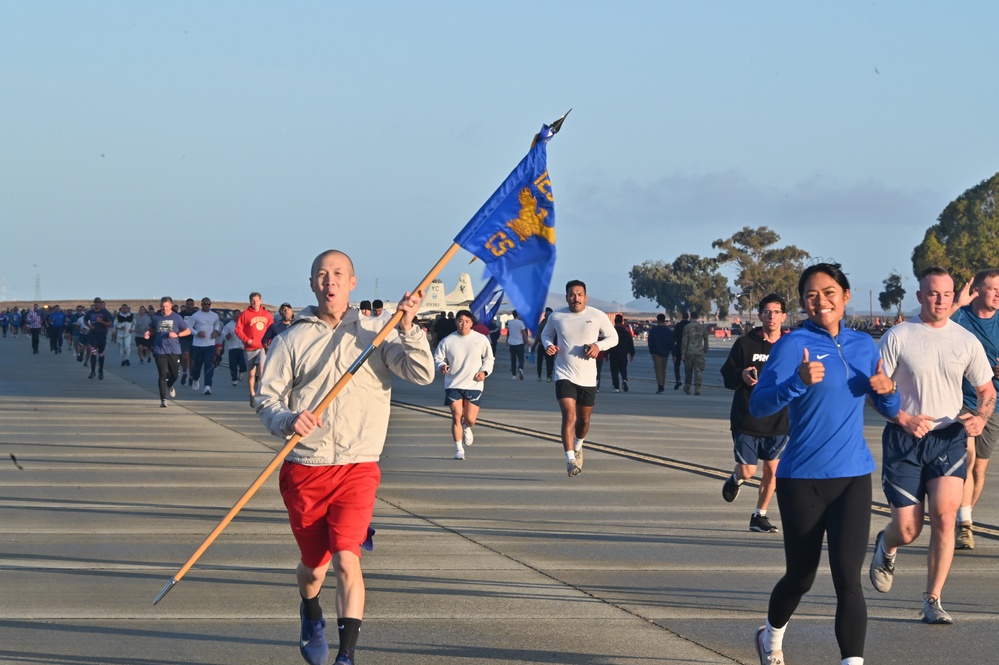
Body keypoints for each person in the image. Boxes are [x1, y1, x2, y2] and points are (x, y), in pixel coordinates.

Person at [256, 249, 434, 665]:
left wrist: (408, 328)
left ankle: (347, 655)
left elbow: (421, 374)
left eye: (338, 274)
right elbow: (266, 400)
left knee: (346, 556)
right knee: (314, 568)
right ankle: (310, 608)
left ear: (353, 282)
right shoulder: (291, 338)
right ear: (312, 283)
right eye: (322, 274)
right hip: (305, 468)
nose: (329, 281)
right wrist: (287, 419)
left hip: (358, 465)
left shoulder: (378, 330)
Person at [749, 263, 899, 665]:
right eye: (812, 295)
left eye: (829, 292)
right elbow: (759, 405)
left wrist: (888, 393)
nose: (821, 301)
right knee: (801, 576)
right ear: (802, 302)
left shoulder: (865, 346)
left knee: (848, 580)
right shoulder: (792, 345)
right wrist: (796, 380)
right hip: (802, 479)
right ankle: (771, 637)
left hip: (852, 476)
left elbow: (887, 404)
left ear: (845, 296)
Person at [869, 266, 995, 624]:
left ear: (953, 295)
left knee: (943, 518)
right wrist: (902, 419)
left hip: (948, 438)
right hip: (905, 439)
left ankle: (933, 599)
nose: (940, 300)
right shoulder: (898, 336)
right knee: (909, 528)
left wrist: (981, 418)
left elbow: (987, 390)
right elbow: (876, 392)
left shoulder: (965, 340)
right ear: (920, 296)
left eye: (946, 294)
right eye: (933, 294)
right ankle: (887, 545)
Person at [719, 294, 789, 534]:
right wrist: (741, 374)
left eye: (777, 311)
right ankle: (736, 478)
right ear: (759, 315)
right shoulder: (745, 344)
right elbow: (727, 375)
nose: (772, 316)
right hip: (747, 418)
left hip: (779, 420)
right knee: (749, 470)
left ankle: (759, 515)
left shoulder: (791, 346)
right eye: (767, 311)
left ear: (784, 316)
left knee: (773, 470)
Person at [541, 280, 618, 477]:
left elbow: (613, 337)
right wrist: (549, 345)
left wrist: (597, 346)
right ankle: (570, 460)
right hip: (564, 374)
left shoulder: (597, 315)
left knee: (583, 421)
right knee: (569, 416)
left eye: (579, 294)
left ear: (586, 296)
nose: (576, 298)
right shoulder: (557, 316)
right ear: (566, 297)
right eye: (572, 295)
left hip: (588, 377)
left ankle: (578, 444)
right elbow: (546, 335)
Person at [949, 269, 999, 550]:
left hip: (992, 403)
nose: (998, 294)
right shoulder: (960, 317)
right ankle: (964, 524)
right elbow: (930, 326)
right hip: (960, 399)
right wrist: (957, 303)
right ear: (977, 291)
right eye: (992, 289)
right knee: (967, 460)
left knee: (979, 469)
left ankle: (962, 517)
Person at [433, 309, 494, 460]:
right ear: (456, 322)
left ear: (472, 323)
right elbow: (437, 358)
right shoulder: (448, 341)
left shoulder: (480, 339)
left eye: (467, 321)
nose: (463, 324)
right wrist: (441, 366)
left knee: (470, 419)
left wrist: (484, 372)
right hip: (453, 383)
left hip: (474, 384)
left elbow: (489, 358)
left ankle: (467, 427)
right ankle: (459, 449)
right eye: (460, 321)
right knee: (456, 416)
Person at [144, 297, 191, 407]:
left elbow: (187, 331)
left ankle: (170, 384)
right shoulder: (156, 317)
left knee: (174, 374)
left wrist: (177, 334)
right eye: (162, 306)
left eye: (166, 306)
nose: (164, 309)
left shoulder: (177, 317)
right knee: (162, 374)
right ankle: (163, 400)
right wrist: (148, 333)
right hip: (160, 350)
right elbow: (152, 329)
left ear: (170, 306)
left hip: (174, 350)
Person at [235, 292, 274, 407]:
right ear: (250, 302)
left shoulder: (266, 314)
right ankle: (252, 393)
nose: (255, 303)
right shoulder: (245, 314)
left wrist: (269, 342)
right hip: (250, 348)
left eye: (257, 300)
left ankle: (260, 393)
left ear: (261, 301)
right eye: (253, 301)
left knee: (261, 369)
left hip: (262, 347)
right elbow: (238, 329)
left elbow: (271, 329)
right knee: (251, 373)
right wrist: (247, 340)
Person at [188, 297, 222, 395]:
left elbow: (217, 324)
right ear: (201, 304)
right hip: (198, 344)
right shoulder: (195, 315)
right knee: (197, 365)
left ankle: (207, 386)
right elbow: (189, 327)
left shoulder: (214, 315)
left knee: (209, 365)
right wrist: (197, 333)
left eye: (208, 303)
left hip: (210, 344)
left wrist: (216, 331)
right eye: (205, 303)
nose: (207, 305)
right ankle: (195, 378)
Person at [680, 311, 710, 395]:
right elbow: (706, 339)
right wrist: (705, 349)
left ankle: (687, 387)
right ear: (697, 317)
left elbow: (685, 340)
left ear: (690, 317)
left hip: (689, 351)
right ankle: (697, 387)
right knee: (698, 370)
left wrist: (683, 352)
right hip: (699, 351)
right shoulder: (702, 327)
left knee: (688, 370)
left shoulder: (687, 327)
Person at [85, 298, 114, 380]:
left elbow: (109, 324)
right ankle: (93, 371)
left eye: (99, 303)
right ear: (94, 303)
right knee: (93, 352)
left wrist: (101, 322)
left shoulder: (105, 313)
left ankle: (100, 370)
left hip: (102, 335)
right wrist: (89, 325)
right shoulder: (90, 312)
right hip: (93, 335)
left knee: (101, 353)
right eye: (96, 303)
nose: (97, 304)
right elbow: (85, 320)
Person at [647, 314, 674, 394]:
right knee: (663, 369)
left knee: (658, 369)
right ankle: (662, 384)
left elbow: (650, 342)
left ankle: (660, 386)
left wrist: (651, 351)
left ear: (657, 320)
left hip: (656, 352)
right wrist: (673, 352)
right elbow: (671, 343)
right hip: (665, 352)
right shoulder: (668, 331)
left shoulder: (653, 330)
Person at [608, 314, 635, 392]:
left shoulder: (611, 332)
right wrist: (632, 353)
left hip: (613, 353)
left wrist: (606, 354)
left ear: (614, 321)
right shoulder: (626, 332)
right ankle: (624, 380)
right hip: (623, 353)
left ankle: (616, 387)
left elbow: (608, 343)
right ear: (622, 321)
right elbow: (630, 343)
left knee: (614, 371)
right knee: (623, 369)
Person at [177, 298, 198, 386]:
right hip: (184, 338)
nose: (189, 306)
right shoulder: (181, 315)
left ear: (193, 305)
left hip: (194, 338)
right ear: (185, 305)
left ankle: (191, 376)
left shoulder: (197, 314)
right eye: (188, 304)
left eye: (191, 304)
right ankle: (185, 373)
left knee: (192, 359)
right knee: (185, 356)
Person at [532, 307, 555, 382]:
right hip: (550, 346)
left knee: (540, 361)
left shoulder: (542, 323)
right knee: (549, 362)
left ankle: (539, 376)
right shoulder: (554, 324)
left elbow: (538, 336)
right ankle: (549, 376)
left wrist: (534, 345)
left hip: (542, 345)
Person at [506, 310, 528, 380]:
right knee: (521, 358)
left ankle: (513, 375)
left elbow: (508, 332)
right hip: (519, 343)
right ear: (518, 315)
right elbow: (524, 333)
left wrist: (507, 340)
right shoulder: (520, 323)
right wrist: (526, 341)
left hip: (512, 343)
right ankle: (520, 368)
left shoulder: (510, 322)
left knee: (513, 359)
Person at [672, 311, 690, 390]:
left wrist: (673, 351)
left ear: (682, 317)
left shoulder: (678, 325)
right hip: (688, 348)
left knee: (676, 365)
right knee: (687, 366)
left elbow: (674, 337)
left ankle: (678, 379)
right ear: (688, 317)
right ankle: (687, 382)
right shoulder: (690, 326)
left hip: (678, 347)